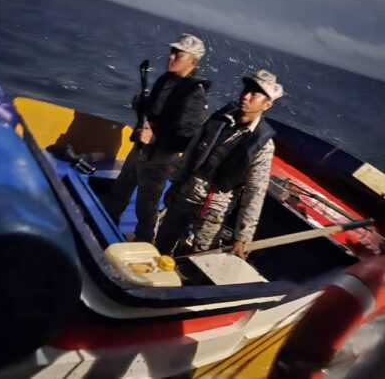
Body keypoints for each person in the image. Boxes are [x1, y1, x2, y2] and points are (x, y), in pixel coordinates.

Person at [155, 69, 284, 259]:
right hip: (187, 192)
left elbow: (255, 191)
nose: (246, 96)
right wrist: (176, 184)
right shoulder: (220, 119)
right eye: (246, 90)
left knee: (202, 257)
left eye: (254, 94)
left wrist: (242, 238)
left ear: (267, 104)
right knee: (162, 243)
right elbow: (192, 153)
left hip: (214, 207)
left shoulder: (263, 145)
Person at [104, 34, 211, 243]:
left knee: (146, 208)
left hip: (159, 160)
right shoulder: (166, 79)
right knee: (119, 190)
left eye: (178, 54)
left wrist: (153, 138)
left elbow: (186, 139)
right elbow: (154, 112)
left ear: (193, 61)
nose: (171, 57)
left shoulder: (194, 95)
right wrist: (142, 105)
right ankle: (103, 226)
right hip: (139, 150)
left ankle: (143, 244)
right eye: (172, 52)